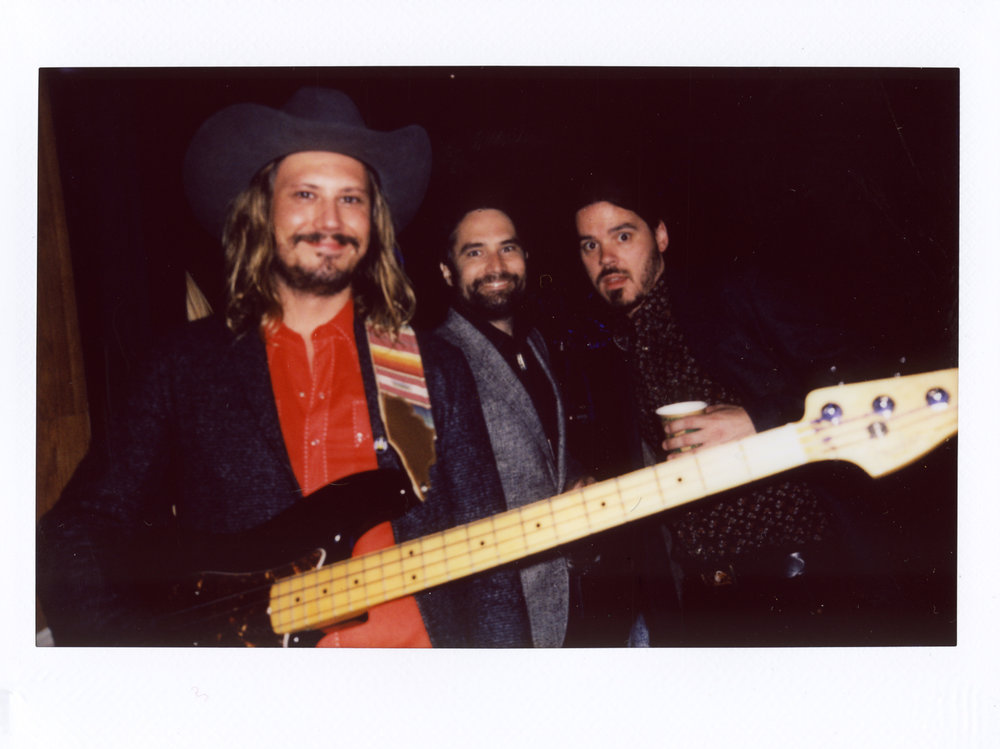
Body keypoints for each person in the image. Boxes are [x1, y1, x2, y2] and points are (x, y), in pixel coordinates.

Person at [36, 87, 533, 648]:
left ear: (374, 222)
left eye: (351, 198)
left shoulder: (433, 367)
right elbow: (75, 530)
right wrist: (125, 657)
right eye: (305, 194)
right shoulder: (183, 368)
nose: (330, 219)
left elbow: (490, 563)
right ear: (262, 209)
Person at [568, 175, 866, 646]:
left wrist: (754, 420)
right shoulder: (613, 352)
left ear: (660, 236)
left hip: (799, 580)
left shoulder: (728, 292)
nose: (606, 259)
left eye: (623, 236)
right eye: (590, 245)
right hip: (707, 598)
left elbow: (854, 372)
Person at [434, 206, 578, 647]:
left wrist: (572, 480)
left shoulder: (533, 344)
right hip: (497, 620)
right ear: (447, 271)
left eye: (508, 248)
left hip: (566, 600)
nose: (496, 267)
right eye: (475, 252)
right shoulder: (434, 360)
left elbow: (537, 456)